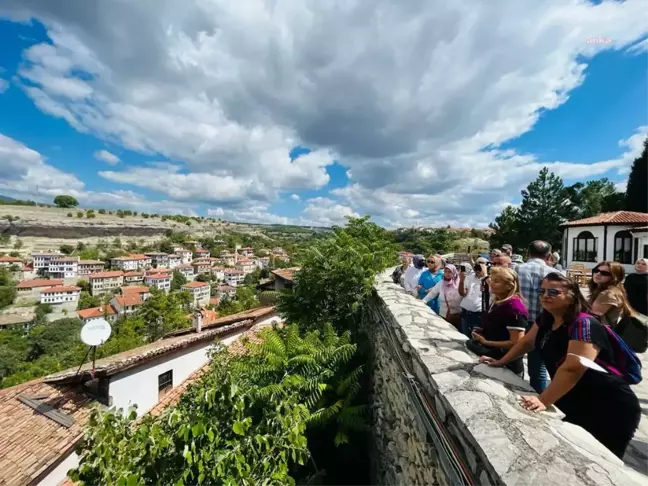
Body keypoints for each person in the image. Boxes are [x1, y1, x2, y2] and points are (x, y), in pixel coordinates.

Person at [480, 273, 640, 459]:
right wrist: (501, 362)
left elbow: (573, 368)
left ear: (572, 295)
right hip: (571, 396)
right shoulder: (546, 318)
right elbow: (526, 343)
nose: (545, 295)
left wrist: (543, 400)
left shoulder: (584, 324)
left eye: (554, 292)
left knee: (599, 460)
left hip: (608, 405)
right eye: (542, 291)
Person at [467, 267, 527, 375]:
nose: (491, 284)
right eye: (492, 280)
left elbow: (517, 343)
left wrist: (486, 342)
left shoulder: (514, 308)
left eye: (497, 281)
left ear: (509, 286)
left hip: (507, 365)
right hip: (491, 357)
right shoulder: (498, 301)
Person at [516, 240, 554, 393]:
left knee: (513, 360)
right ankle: (537, 397)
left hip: (516, 321)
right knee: (538, 367)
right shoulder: (553, 274)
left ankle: (515, 391)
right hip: (542, 324)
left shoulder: (516, 268)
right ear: (548, 255)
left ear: (527, 253)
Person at [588, 261, 631, 327]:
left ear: (614, 277)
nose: (598, 274)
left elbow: (590, 317)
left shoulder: (607, 294)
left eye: (604, 273)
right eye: (596, 270)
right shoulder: (615, 290)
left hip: (597, 332)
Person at [422, 264, 463, 328]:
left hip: (457, 315)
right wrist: (424, 300)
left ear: (454, 272)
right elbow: (433, 293)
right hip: (443, 314)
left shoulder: (459, 283)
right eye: (445, 271)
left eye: (449, 272)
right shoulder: (441, 283)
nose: (447, 273)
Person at [458, 261, 487, 337]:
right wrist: (461, 281)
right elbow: (462, 293)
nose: (478, 268)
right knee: (464, 336)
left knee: (476, 338)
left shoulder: (488, 280)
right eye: (477, 265)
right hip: (466, 312)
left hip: (478, 314)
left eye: (480, 266)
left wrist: (485, 276)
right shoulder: (469, 277)